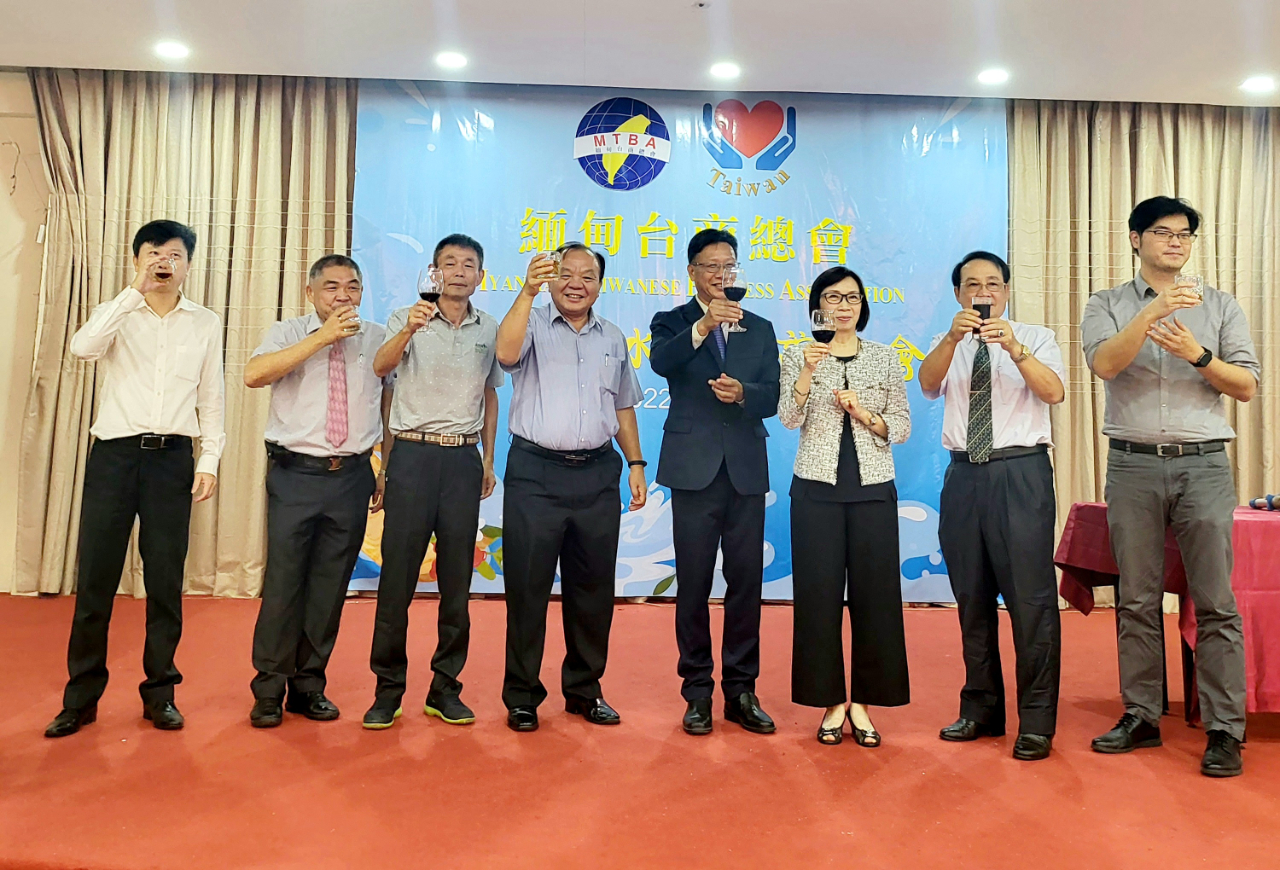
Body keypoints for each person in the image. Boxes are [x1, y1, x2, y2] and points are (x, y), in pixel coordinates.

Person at [1081, 196, 1259, 777]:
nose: (1176, 242)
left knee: (1215, 602)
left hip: (1203, 465)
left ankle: (1225, 729)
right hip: (1132, 464)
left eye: (1184, 234)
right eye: (1163, 232)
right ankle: (1141, 715)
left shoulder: (1222, 305)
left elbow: (1246, 386)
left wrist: (1198, 354)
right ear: (1136, 239)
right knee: (1136, 598)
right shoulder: (1106, 304)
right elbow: (1105, 364)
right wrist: (1152, 313)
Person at [45, 220, 224, 738]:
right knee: (96, 579)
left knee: (165, 582)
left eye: (175, 255)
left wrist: (209, 459)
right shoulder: (117, 312)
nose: (165, 262)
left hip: (172, 460)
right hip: (115, 457)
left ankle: (161, 694)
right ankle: (80, 700)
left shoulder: (205, 322)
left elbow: (212, 397)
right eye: (154, 253)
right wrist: (133, 293)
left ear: (189, 264)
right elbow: (82, 348)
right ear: (137, 259)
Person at [919, 251, 1066, 761]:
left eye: (992, 284)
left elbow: (1054, 392)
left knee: (1031, 601)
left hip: (1020, 472)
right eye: (972, 285)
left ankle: (1037, 721)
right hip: (964, 475)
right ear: (958, 294)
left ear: (1005, 290)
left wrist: (1016, 350)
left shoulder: (1036, 337)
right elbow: (928, 383)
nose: (983, 293)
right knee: (972, 597)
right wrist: (951, 339)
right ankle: (980, 709)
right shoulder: (949, 341)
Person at [494, 242, 647, 733]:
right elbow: (505, 353)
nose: (576, 283)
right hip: (536, 474)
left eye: (588, 275)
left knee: (593, 590)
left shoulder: (613, 336)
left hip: (598, 473)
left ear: (600, 284)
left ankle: (585, 689)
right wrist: (526, 291)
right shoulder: (532, 322)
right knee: (527, 588)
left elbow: (622, 404)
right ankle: (522, 695)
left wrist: (636, 462)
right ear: (551, 279)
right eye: (566, 273)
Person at [242, 254, 393, 728]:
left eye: (352, 286)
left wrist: (385, 467)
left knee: (330, 587)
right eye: (332, 287)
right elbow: (254, 374)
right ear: (311, 293)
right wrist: (321, 338)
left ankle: (309, 685)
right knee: (285, 585)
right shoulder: (288, 332)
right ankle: (269, 688)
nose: (343, 295)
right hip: (296, 475)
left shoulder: (376, 337)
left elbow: (388, 403)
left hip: (352, 475)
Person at [363, 234, 503, 730]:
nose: (459, 272)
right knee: (397, 580)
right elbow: (380, 370)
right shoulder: (406, 317)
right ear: (433, 273)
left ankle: (445, 688)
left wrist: (488, 460)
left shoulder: (490, 328)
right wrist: (409, 331)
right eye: (449, 264)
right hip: (412, 456)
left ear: (481, 276)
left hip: (463, 460)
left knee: (457, 583)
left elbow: (490, 395)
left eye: (469, 264)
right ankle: (387, 690)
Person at [649, 228, 781, 736]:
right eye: (712, 266)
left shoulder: (760, 327)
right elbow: (663, 362)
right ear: (693, 272)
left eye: (729, 266)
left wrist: (743, 393)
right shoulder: (671, 321)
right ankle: (697, 692)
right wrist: (704, 325)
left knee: (746, 583)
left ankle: (742, 690)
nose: (722, 275)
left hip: (744, 469)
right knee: (694, 582)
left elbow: (773, 395)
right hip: (693, 470)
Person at [778, 266, 911, 746]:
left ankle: (864, 704)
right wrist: (808, 372)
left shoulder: (885, 357)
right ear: (818, 306)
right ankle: (830, 701)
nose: (843, 306)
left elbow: (901, 426)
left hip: (873, 490)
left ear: (863, 305)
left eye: (852, 297)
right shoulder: (797, 354)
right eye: (833, 298)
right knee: (818, 599)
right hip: (816, 492)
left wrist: (864, 414)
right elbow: (788, 418)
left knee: (877, 601)